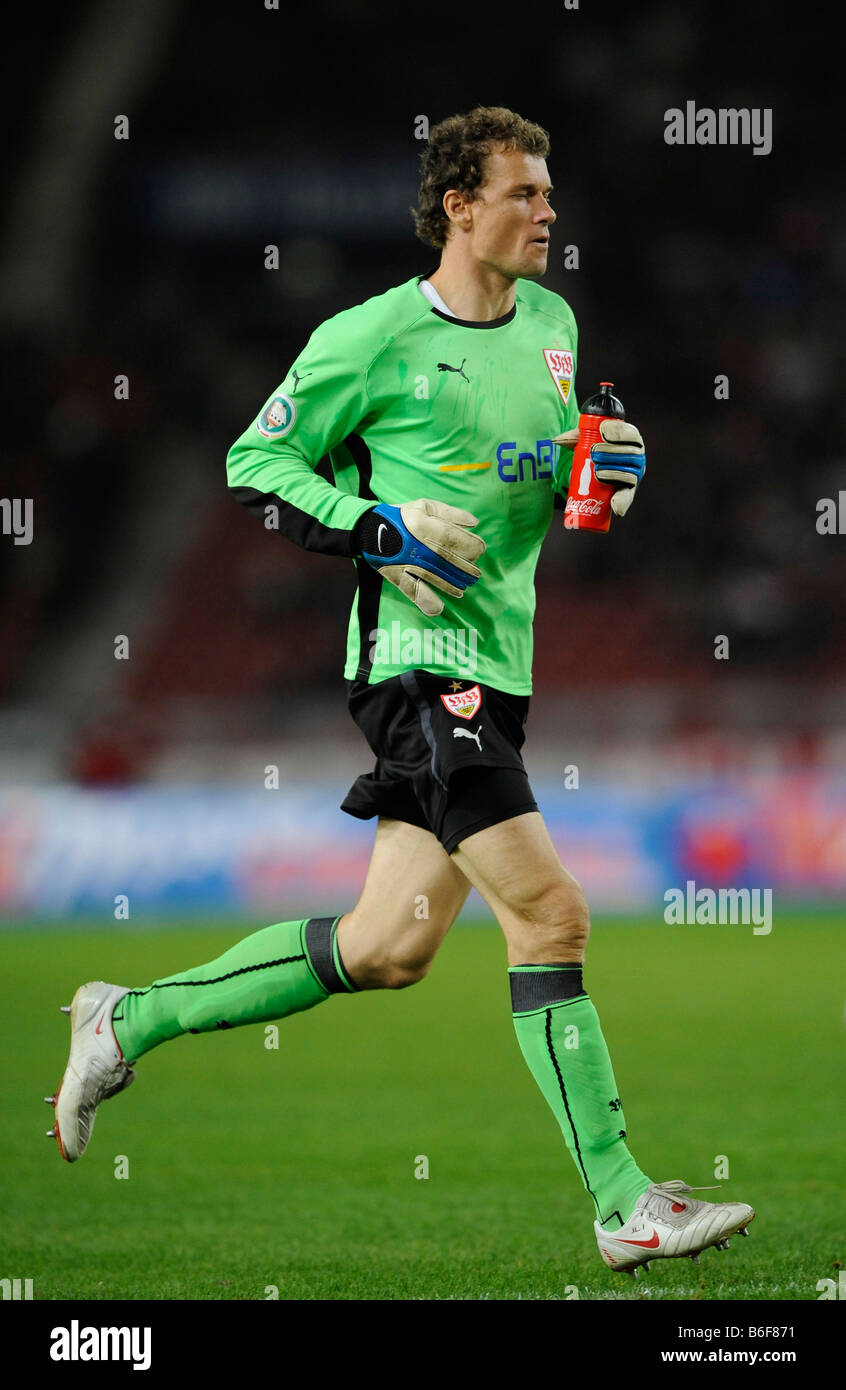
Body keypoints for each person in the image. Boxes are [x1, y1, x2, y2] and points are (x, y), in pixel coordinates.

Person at [46, 105, 753, 1277]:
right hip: (418, 674)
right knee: (553, 913)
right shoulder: (370, 339)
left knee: (388, 947)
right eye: (525, 193)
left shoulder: (557, 325)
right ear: (460, 207)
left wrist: (606, 468)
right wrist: (375, 527)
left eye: (551, 192)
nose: (548, 211)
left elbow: (563, 466)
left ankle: (128, 1017)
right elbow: (253, 465)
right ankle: (625, 1199)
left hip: (501, 669)